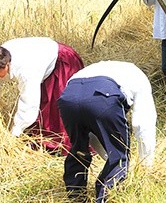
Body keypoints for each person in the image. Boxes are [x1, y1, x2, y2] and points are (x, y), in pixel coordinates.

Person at [57, 60, 157, 203]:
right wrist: (146, 165)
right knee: (119, 156)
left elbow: (93, 133)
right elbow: (142, 124)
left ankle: (75, 196)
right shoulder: (139, 78)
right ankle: (105, 197)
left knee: (79, 150)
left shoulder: (97, 69)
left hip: (68, 98)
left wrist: (106, 154)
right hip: (103, 96)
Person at [0, 37, 84, 153]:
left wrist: (15, 134)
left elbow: (29, 103)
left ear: (5, 65)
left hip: (62, 61)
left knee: (60, 110)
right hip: (40, 60)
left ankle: (67, 147)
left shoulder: (26, 69)